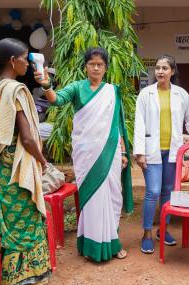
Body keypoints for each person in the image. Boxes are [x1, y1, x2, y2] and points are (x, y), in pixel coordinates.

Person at [36, 47, 133, 262]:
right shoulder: (77, 88)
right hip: (87, 154)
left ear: (106, 67)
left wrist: (124, 151)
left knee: (113, 197)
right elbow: (56, 99)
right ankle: (92, 245)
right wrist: (45, 84)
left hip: (111, 152)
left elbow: (117, 123)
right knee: (92, 199)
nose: (96, 68)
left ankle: (113, 242)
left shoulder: (112, 90)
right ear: (85, 66)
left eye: (100, 64)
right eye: (92, 64)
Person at [0, 38, 52, 285]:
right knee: (25, 226)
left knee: (14, 224)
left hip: (4, 167)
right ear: (13, 61)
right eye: (25, 58)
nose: (28, 63)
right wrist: (43, 161)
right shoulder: (16, 90)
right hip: (18, 168)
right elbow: (27, 137)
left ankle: (29, 279)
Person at [134, 54, 189, 254]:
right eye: (157, 68)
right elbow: (139, 123)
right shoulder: (146, 94)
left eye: (165, 68)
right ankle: (147, 233)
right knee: (153, 191)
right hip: (152, 151)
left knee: (168, 191)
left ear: (172, 71)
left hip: (173, 151)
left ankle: (163, 230)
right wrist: (139, 152)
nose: (160, 71)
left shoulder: (181, 94)